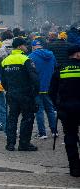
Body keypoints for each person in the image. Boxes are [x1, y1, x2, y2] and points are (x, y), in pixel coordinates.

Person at [1, 37, 39, 151]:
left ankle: (10, 144)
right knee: (27, 118)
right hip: (25, 94)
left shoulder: (5, 60)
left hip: (11, 93)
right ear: (19, 46)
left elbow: (3, 81)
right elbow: (35, 78)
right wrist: (35, 93)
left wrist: (9, 89)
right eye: (24, 45)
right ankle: (24, 144)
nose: (26, 47)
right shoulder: (26, 59)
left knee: (12, 118)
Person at [49, 45, 80, 177]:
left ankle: (74, 168)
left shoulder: (60, 69)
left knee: (70, 137)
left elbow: (52, 92)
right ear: (77, 54)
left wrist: (58, 106)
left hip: (67, 110)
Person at [29, 39, 58, 139]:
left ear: (33, 47)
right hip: (48, 86)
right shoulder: (51, 55)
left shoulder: (31, 56)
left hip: (36, 87)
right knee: (50, 109)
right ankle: (54, 131)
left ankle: (42, 133)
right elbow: (55, 67)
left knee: (39, 110)